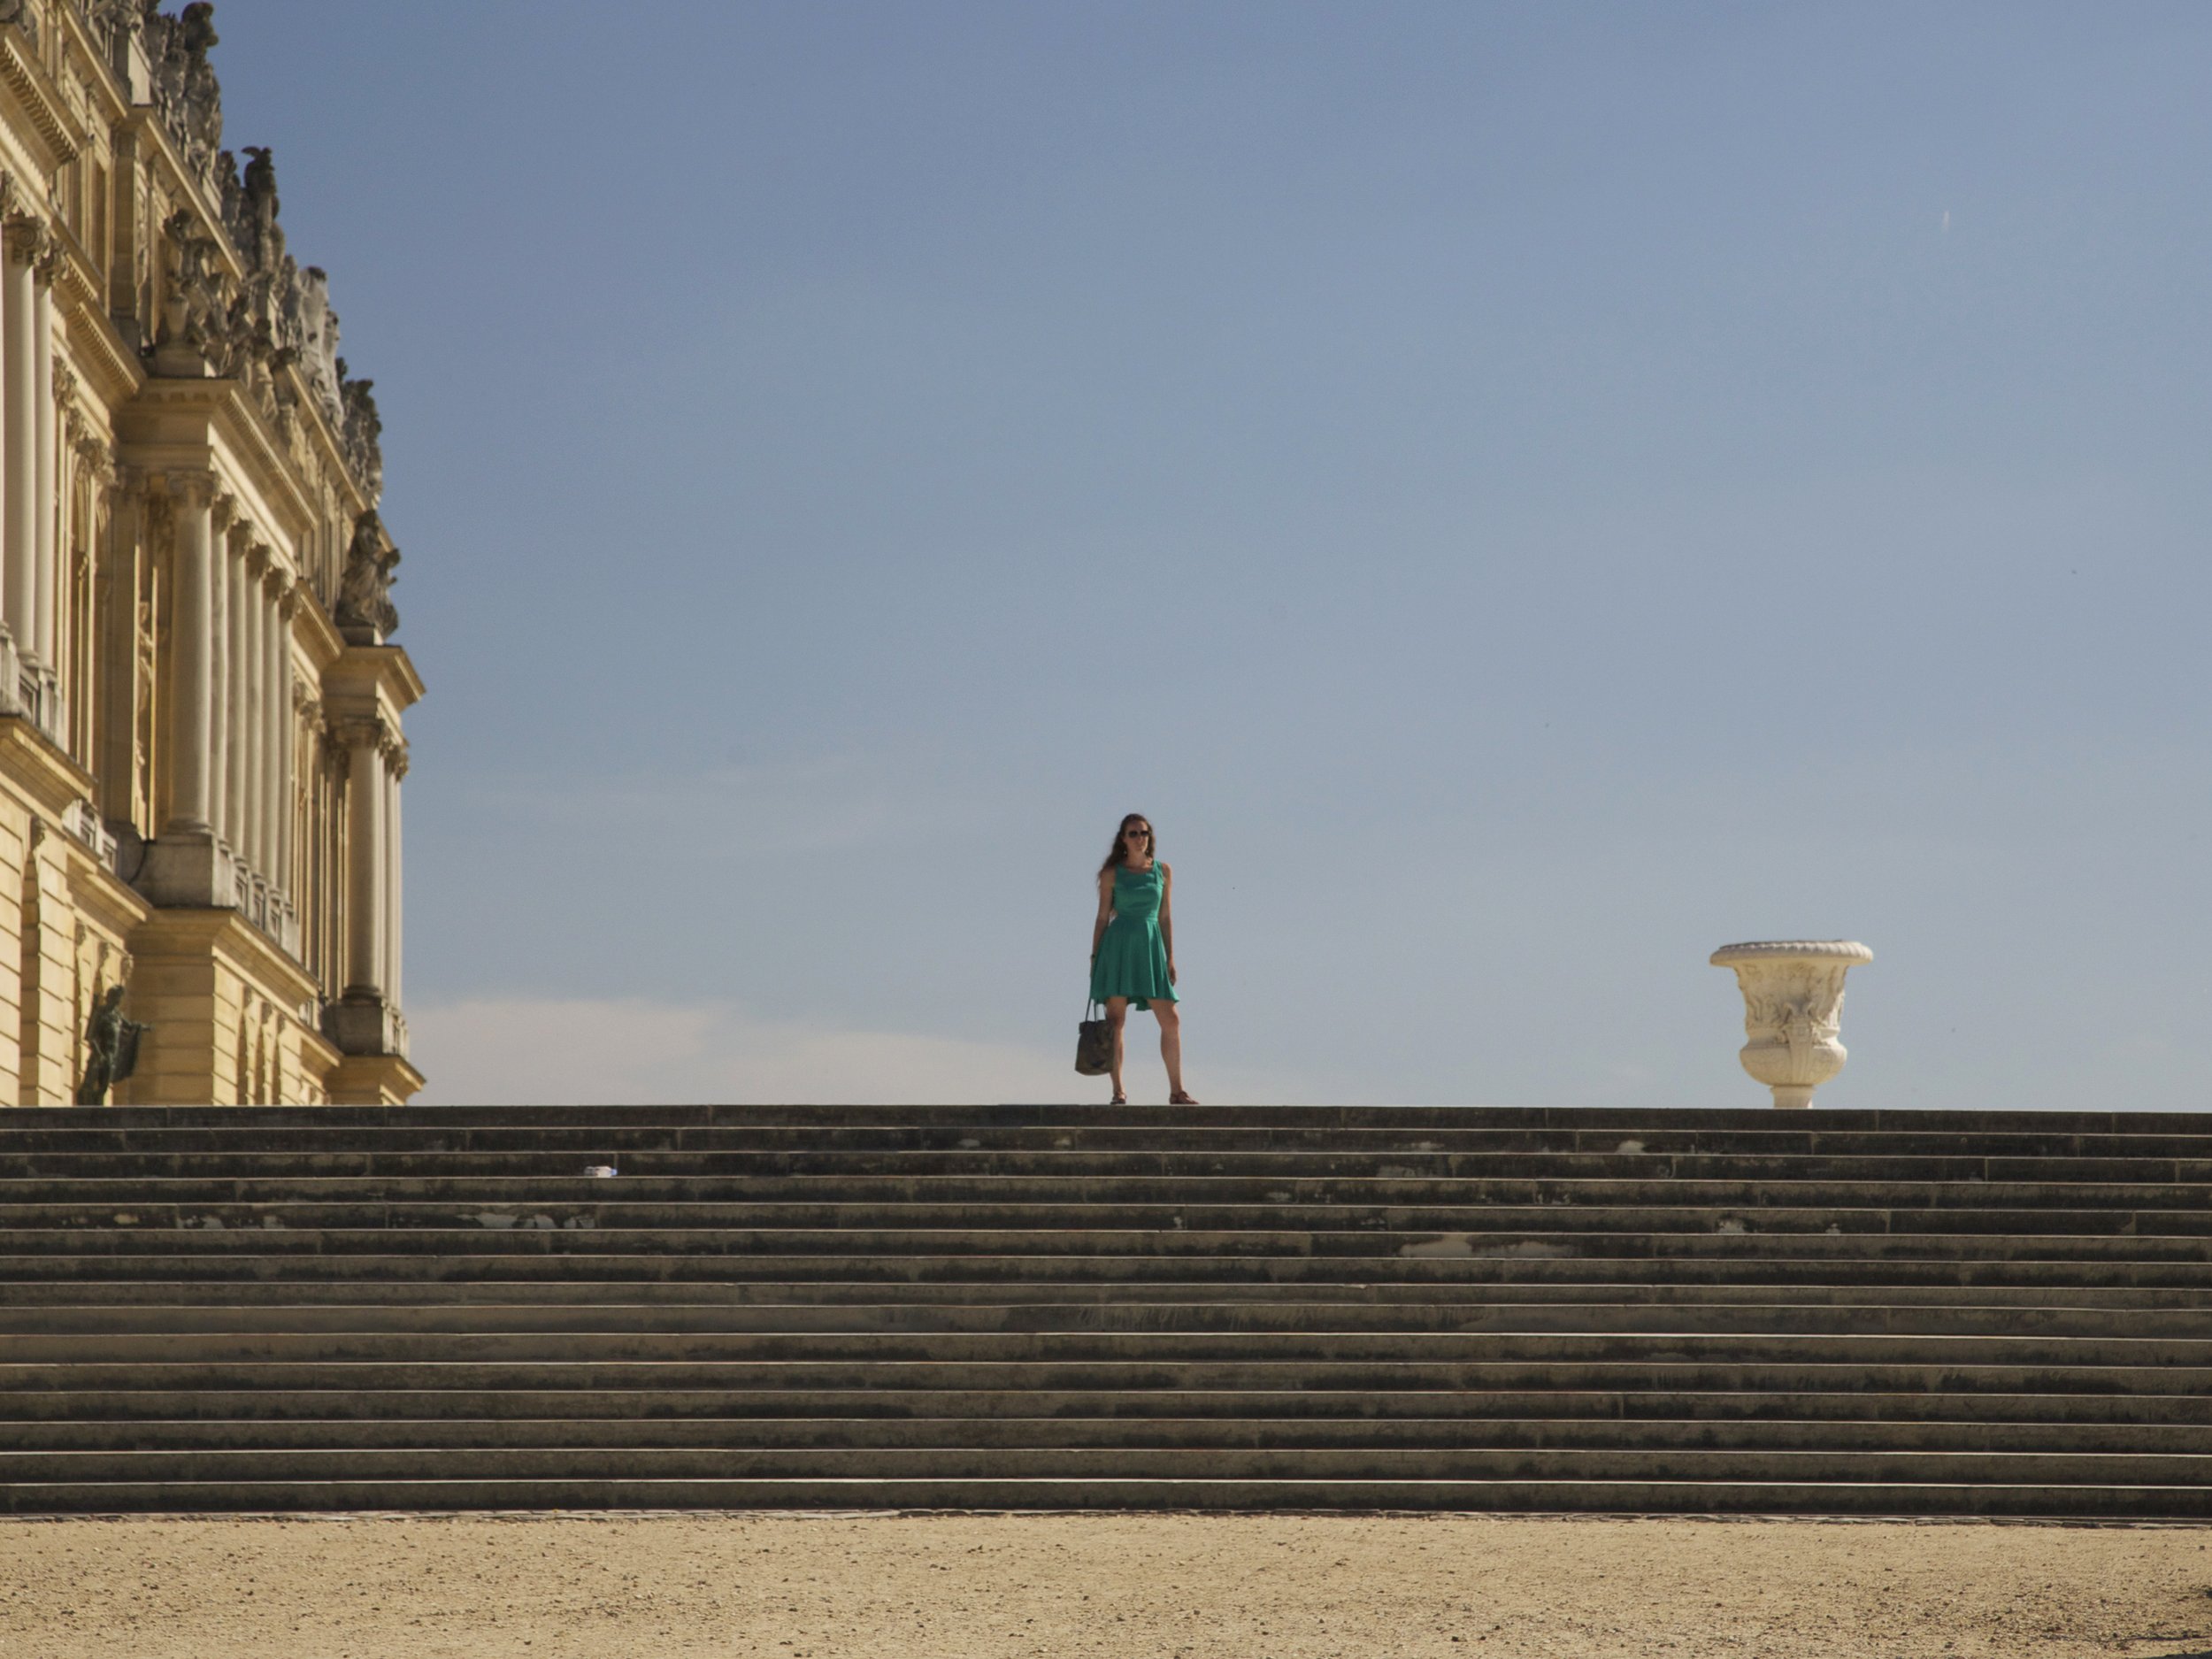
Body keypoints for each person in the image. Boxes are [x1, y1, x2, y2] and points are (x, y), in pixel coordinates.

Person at [1088, 813, 1196, 1107]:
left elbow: (1165, 917)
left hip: (1150, 947)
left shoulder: (1163, 871)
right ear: (1123, 839)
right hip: (1118, 946)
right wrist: (1095, 957)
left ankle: (1177, 1091)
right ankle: (1118, 1091)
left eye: (1144, 833)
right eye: (1133, 833)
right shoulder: (1112, 874)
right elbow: (1102, 918)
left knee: (1171, 1020)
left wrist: (1170, 956)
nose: (1140, 838)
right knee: (1116, 1021)